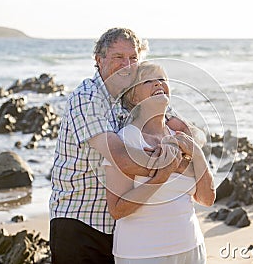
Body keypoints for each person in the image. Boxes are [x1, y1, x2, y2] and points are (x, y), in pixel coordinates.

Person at [49, 28, 193, 264]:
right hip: (79, 223)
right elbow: (120, 158)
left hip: (121, 226)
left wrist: (180, 151)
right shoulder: (88, 97)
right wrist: (170, 164)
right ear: (99, 60)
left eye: (133, 58)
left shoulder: (134, 96)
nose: (127, 64)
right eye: (118, 57)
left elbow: (184, 129)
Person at [104, 62, 216, 264]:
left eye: (162, 79)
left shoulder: (182, 138)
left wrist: (198, 155)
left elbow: (207, 198)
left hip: (190, 247)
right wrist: (161, 176)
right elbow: (117, 210)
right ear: (133, 97)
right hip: (142, 253)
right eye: (148, 81)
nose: (158, 84)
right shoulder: (126, 140)